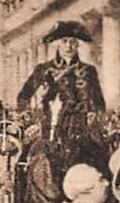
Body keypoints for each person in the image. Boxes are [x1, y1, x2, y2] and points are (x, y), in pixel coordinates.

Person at [17, 21, 106, 168]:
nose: (69, 46)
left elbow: (99, 102)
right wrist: (29, 121)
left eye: (73, 42)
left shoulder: (89, 71)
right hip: (50, 128)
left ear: (78, 45)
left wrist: (95, 116)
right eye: (65, 41)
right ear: (57, 44)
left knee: (101, 161)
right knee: (28, 161)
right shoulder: (44, 69)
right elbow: (23, 96)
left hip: (81, 129)